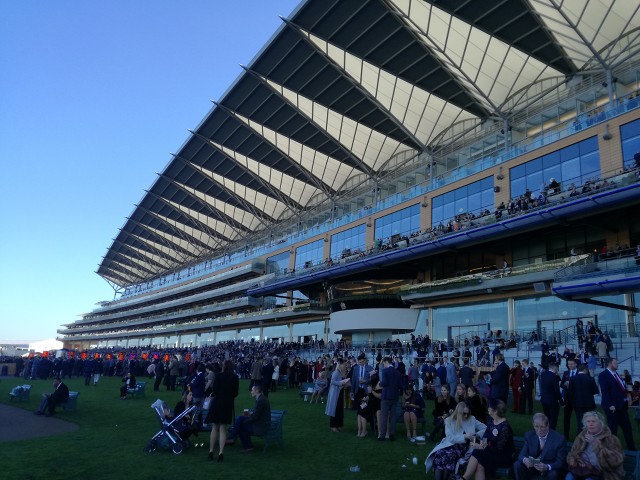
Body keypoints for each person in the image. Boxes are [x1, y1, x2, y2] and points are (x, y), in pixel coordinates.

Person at [425, 402, 486, 480]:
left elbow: (485, 428)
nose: (466, 416)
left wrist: (476, 434)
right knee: (440, 454)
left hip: (462, 447)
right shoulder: (449, 420)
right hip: (449, 444)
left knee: (449, 456)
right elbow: (450, 437)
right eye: (464, 413)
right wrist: (464, 436)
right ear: (458, 412)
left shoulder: (472, 419)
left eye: (468, 413)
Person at [460, 399, 514, 480]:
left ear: (495, 411)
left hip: (503, 456)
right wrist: (482, 444)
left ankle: (464, 477)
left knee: (477, 453)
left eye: (490, 407)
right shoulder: (491, 421)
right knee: (480, 465)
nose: (488, 408)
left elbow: (499, 449)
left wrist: (482, 447)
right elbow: (485, 437)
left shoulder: (505, 427)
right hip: (490, 452)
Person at [566, 411, 625, 480]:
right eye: (588, 421)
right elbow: (572, 454)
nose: (591, 424)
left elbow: (615, 461)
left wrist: (595, 444)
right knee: (569, 477)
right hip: (581, 470)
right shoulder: (581, 437)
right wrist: (576, 462)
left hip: (602, 473)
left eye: (593, 421)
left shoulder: (610, 439)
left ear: (600, 423)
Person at [598, 357, 637, 450]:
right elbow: (605, 391)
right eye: (616, 363)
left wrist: (628, 396)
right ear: (610, 364)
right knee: (613, 430)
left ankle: (632, 449)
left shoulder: (616, 374)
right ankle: (612, 450)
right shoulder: (603, 375)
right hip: (612, 407)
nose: (617, 365)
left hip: (622, 406)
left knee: (627, 428)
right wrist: (610, 404)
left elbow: (621, 388)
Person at [513, 413, 566, 480]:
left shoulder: (559, 439)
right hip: (532, 467)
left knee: (554, 474)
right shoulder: (529, 435)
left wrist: (547, 467)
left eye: (542, 427)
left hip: (548, 469)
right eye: (536, 427)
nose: (539, 430)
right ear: (533, 426)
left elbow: (560, 462)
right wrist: (525, 460)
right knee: (517, 465)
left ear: (547, 426)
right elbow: (521, 455)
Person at [207, 359, 239, 462]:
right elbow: (235, 393)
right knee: (222, 429)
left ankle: (211, 451)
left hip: (217, 403)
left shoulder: (218, 376)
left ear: (224, 366)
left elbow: (214, 390)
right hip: (227, 404)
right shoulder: (235, 377)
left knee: (214, 428)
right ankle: (221, 452)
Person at [226, 383, 270, 453]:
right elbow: (257, 414)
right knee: (240, 420)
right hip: (259, 423)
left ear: (257, 390)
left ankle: (232, 438)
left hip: (260, 426)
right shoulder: (260, 398)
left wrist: (245, 421)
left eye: (252, 390)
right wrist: (249, 415)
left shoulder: (261, 400)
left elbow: (255, 417)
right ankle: (247, 446)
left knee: (240, 421)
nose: (251, 391)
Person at [567, 364, 599, 433]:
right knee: (590, 422)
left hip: (577, 404)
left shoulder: (572, 379)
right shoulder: (590, 379)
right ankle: (589, 436)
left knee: (580, 422)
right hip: (589, 404)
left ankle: (580, 439)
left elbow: (570, 392)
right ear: (585, 370)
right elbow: (596, 391)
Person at [378, 355, 403, 441]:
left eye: (383, 363)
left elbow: (385, 382)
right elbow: (400, 385)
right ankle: (392, 434)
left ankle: (382, 435)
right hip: (394, 396)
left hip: (386, 396)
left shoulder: (385, 371)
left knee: (384, 416)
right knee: (393, 416)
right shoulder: (397, 372)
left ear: (386, 362)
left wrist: (380, 384)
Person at [325, 358, 350, 433]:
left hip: (340, 392)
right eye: (344, 364)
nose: (345, 366)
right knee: (335, 409)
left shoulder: (342, 372)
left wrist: (345, 384)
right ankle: (333, 426)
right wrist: (341, 383)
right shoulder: (336, 372)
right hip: (335, 393)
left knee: (339, 410)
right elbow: (332, 382)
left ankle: (339, 425)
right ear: (340, 364)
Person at [539, 362, 562, 430]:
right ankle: (551, 433)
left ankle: (546, 430)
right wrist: (561, 401)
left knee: (547, 417)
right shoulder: (554, 376)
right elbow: (557, 390)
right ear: (556, 368)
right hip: (552, 400)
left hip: (544, 399)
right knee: (553, 418)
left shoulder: (543, 374)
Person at [560, 358, 578, 438]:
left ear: (575, 364)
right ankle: (565, 434)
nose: (570, 365)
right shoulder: (566, 372)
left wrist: (571, 385)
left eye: (571, 364)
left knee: (580, 417)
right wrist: (565, 385)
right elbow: (561, 385)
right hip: (567, 399)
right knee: (566, 417)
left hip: (577, 399)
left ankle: (580, 435)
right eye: (569, 364)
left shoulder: (580, 372)